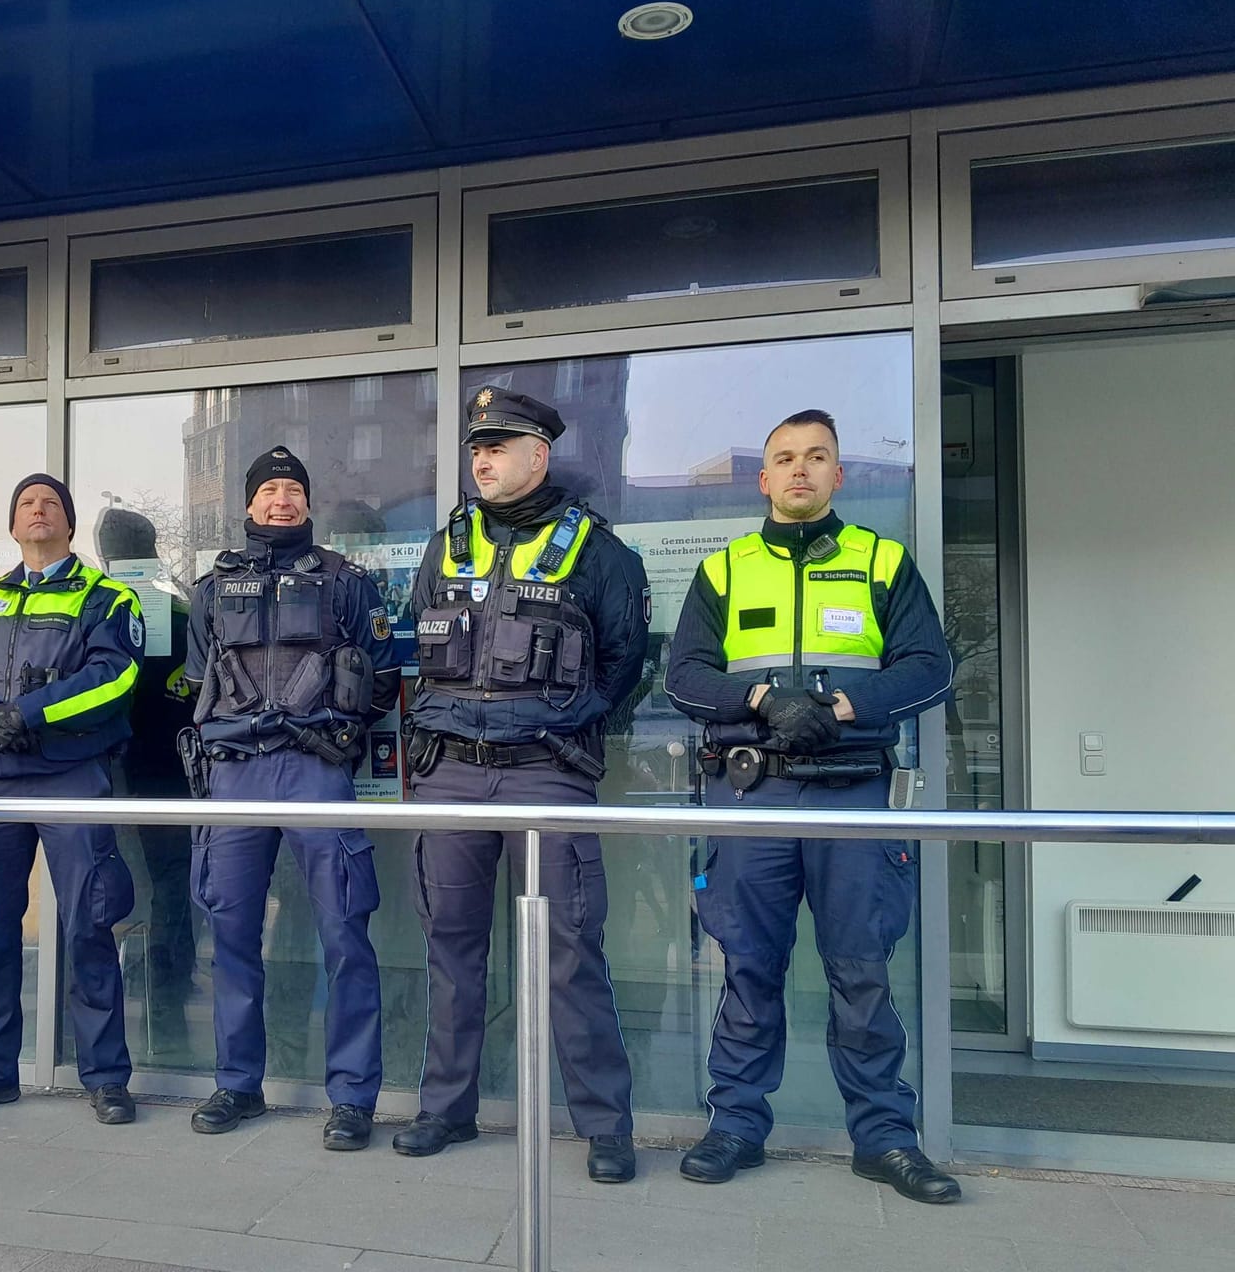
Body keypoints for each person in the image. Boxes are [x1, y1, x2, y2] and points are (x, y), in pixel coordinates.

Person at [664, 409, 959, 1204]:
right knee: (748, 969)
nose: (800, 470)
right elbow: (684, 675)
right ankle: (735, 1125)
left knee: (862, 972)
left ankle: (885, 1138)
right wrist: (761, 696)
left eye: (816, 457)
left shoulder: (882, 561)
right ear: (763, 479)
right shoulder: (723, 569)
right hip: (752, 791)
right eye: (785, 458)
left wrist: (838, 708)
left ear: (839, 475)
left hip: (851, 791)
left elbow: (931, 667)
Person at [395, 388, 649, 1183]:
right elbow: (416, 640)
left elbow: (624, 666)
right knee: (450, 946)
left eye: (500, 446)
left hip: (545, 774)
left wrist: (560, 726)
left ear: (540, 455)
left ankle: (605, 1128)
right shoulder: (446, 546)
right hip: (449, 775)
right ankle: (447, 1110)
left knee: (573, 952)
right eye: (478, 447)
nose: (483, 458)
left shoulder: (602, 554)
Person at [181, 447, 401, 1150]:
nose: (282, 500)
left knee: (344, 933)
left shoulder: (346, 581)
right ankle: (237, 1084)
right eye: (270, 489)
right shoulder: (212, 588)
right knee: (232, 934)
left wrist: (339, 732)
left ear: (309, 503)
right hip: (235, 769)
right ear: (248, 505)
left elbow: (384, 674)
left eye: (294, 490)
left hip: (315, 767)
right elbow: (196, 679)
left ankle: (353, 1096)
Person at [0, 473, 144, 1126]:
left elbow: (116, 675)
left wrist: (28, 715)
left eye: (50, 503)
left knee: (89, 925)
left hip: (70, 774)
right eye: (26, 503)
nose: (38, 511)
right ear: (13, 526)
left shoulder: (106, 596)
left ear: (69, 525)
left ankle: (105, 1078)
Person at [94, 505, 199, 1053]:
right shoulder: (178, 608)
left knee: (129, 892)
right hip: (164, 774)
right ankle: (168, 1003)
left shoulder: (110, 608)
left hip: (128, 772)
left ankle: (153, 1007)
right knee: (170, 892)